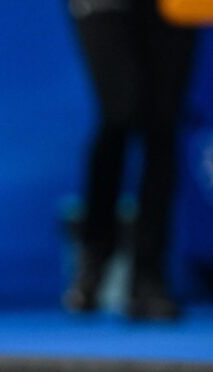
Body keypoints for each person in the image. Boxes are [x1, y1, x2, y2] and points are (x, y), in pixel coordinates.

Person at [64, 0, 197, 320]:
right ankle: (95, 255)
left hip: (172, 7)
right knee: (121, 111)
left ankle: (149, 278)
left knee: (163, 123)